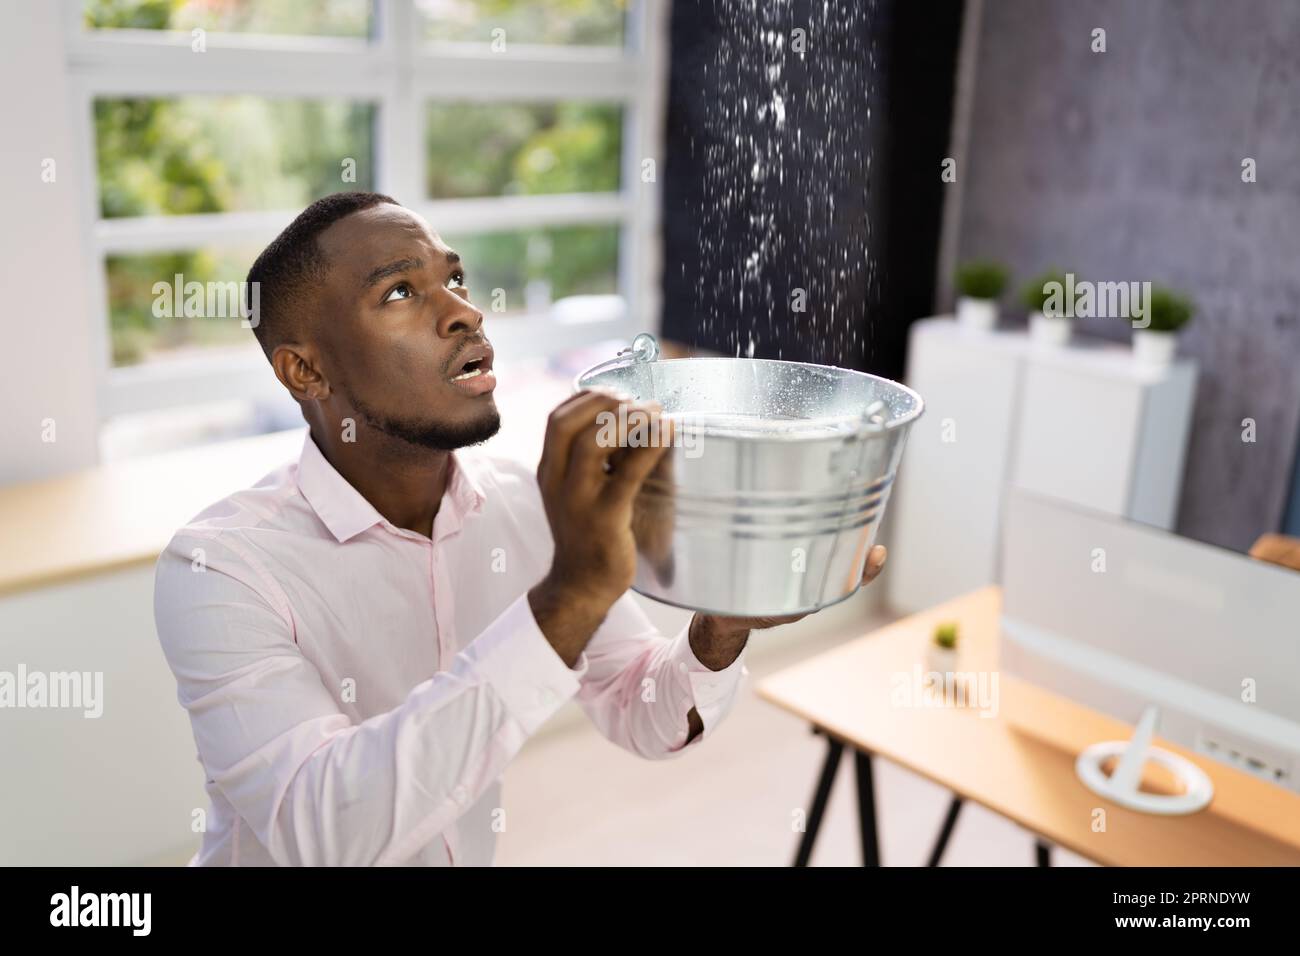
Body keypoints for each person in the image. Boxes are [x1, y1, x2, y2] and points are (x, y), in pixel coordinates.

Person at [153, 191, 888, 866]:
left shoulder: (520, 504)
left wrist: (721, 626)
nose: (464, 313)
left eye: (457, 279)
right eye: (401, 292)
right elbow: (326, 831)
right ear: (305, 373)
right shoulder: (220, 568)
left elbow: (643, 709)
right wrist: (566, 598)